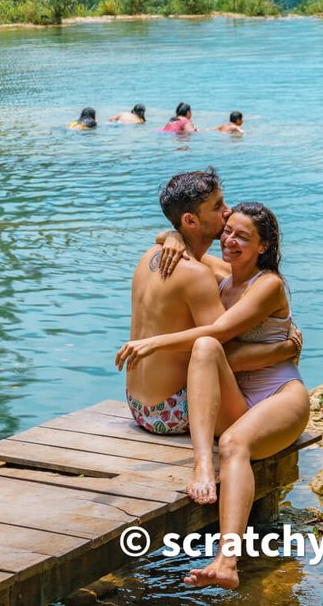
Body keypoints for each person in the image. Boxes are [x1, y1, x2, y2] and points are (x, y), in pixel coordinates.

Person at [116, 202, 308, 591]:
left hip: (279, 394)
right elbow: (178, 241)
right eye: (228, 231)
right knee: (203, 349)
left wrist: (152, 343)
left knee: (236, 442)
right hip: (236, 396)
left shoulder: (268, 284)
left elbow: (221, 333)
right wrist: (170, 236)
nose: (231, 241)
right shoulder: (220, 273)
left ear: (263, 246)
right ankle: (203, 464)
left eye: (244, 237)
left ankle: (226, 560)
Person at [120, 170, 299, 437]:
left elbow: (230, 274)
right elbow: (223, 356)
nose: (227, 212)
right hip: (173, 411)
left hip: (138, 406)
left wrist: (172, 234)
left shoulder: (150, 256)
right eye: (217, 207)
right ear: (191, 220)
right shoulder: (197, 275)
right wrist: (285, 349)